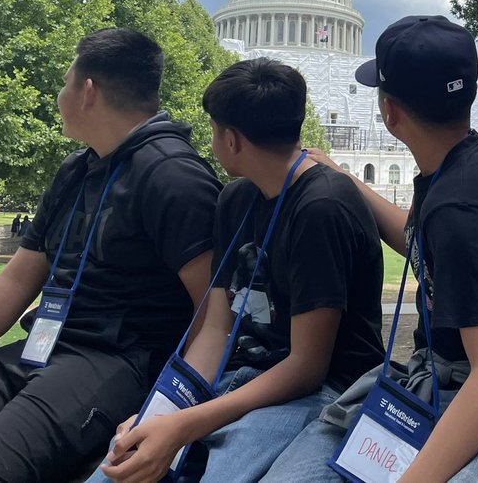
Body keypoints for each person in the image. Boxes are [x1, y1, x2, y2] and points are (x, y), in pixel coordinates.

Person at [263, 15, 478, 483]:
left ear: (390, 113)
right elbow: (417, 240)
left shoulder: (462, 205)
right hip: (437, 380)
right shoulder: (458, 167)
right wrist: (344, 179)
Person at [89, 58, 385, 483]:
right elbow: (216, 327)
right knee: (120, 467)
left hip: (320, 392)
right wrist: (164, 411)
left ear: (230, 139)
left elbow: (307, 366)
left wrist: (186, 426)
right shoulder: (236, 199)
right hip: (240, 379)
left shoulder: (322, 206)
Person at [0, 28, 222, 483]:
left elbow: (212, 313)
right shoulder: (77, 169)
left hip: (115, 363)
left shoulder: (176, 179)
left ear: (86, 91)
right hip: (44, 347)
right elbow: (18, 280)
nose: (59, 95)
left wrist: (169, 413)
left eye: (64, 81)